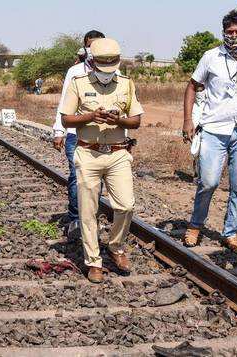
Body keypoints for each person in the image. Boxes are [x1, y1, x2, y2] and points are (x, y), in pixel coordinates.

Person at [60, 38, 143, 283]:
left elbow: (136, 120)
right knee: (88, 211)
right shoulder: (78, 83)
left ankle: (115, 247)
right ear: (92, 62)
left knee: (126, 205)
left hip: (118, 153)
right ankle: (93, 261)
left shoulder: (127, 84)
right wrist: (90, 116)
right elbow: (66, 120)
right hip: (88, 153)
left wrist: (118, 121)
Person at [181, 10, 237, 252]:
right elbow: (192, 86)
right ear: (223, 32)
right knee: (208, 181)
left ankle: (231, 232)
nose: (234, 36)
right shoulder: (210, 57)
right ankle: (195, 225)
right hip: (215, 127)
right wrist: (188, 120)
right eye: (230, 32)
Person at [53, 30, 106, 237]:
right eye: (91, 46)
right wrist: (59, 130)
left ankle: (90, 218)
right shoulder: (74, 72)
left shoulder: (114, 72)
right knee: (77, 176)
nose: (95, 51)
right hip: (76, 133)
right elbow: (64, 104)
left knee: (96, 178)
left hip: (103, 134)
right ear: (85, 48)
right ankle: (76, 220)